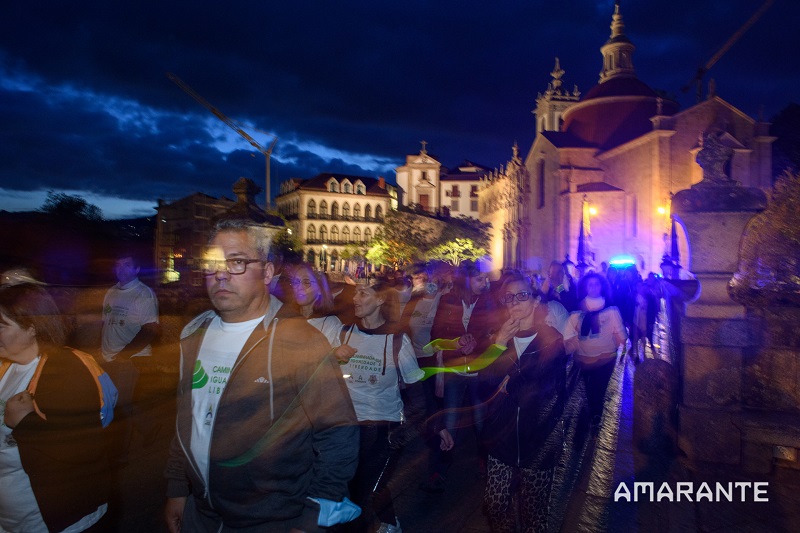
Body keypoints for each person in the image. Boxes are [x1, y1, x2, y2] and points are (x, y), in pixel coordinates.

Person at [163, 219, 359, 533]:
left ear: (267, 273)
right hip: (202, 514)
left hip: (273, 520)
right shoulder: (193, 334)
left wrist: (312, 518)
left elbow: (338, 433)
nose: (222, 274)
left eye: (237, 262)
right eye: (212, 264)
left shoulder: (300, 341)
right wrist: (177, 488)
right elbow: (189, 417)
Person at [0, 283, 111, 532]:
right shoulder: (5, 367)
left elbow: (85, 449)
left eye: (1, 325)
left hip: (55, 522)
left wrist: (26, 423)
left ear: (31, 328)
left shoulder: (65, 369)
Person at [331, 279, 436, 533]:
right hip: (346, 425)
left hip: (381, 426)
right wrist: (331, 357)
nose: (355, 298)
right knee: (349, 485)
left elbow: (416, 387)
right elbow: (324, 377)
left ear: (380, 300)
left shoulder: (396, 340)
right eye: (355, 293)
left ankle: (388, 524)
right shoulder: (344, 332)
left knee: (369, 487)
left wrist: (432, 424)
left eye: (363, 294)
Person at [481, 273, 567, 533]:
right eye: (509, 298)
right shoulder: (499, 340)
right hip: (501, 439)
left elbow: (535, 391)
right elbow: (484, 385)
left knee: (533, 517)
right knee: (494, 504)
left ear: (535, 300)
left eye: (522, 295)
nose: (515, 302)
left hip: (538, 442)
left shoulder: (551, 339)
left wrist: (509, 382)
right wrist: (497, 345)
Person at [423, 259, 497, 490]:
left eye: (485, 279)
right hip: (454, 369)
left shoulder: (488, 301)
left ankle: (485, 463)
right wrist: (454, 343)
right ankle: (441, 468)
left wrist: (477, 342)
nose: (484, 283)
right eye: (479, 279)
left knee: (480, 420)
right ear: (467, 280)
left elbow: (493, 333)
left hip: (478, 369)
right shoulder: (448, 299)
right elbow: (435, 333)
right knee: (450, 420)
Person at [101, 251, 160, 461]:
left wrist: (124, 355)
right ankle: (149, 426)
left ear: (136, 270)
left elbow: (150, 329)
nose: (121, 269)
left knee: (121, 406)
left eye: (126, 265)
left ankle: (120, 453)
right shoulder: (111, 292)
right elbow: (106, 324)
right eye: (118, 264)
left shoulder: (143, 294)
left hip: (131, 358)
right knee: (120, 403)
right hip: (107, 357)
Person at [563, 272, 627, 431]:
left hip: (606, 359)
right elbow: (568, 335)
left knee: (599, 388)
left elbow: (621, 336)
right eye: (590, 284)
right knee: (590, 389)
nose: (593, 287)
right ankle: (595, 412)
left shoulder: (611, 310)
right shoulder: (576, 311)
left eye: (596, 284)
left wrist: (619, 343)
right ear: (585, 287)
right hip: (584, 360)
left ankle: (596, 414)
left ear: (602, 287)